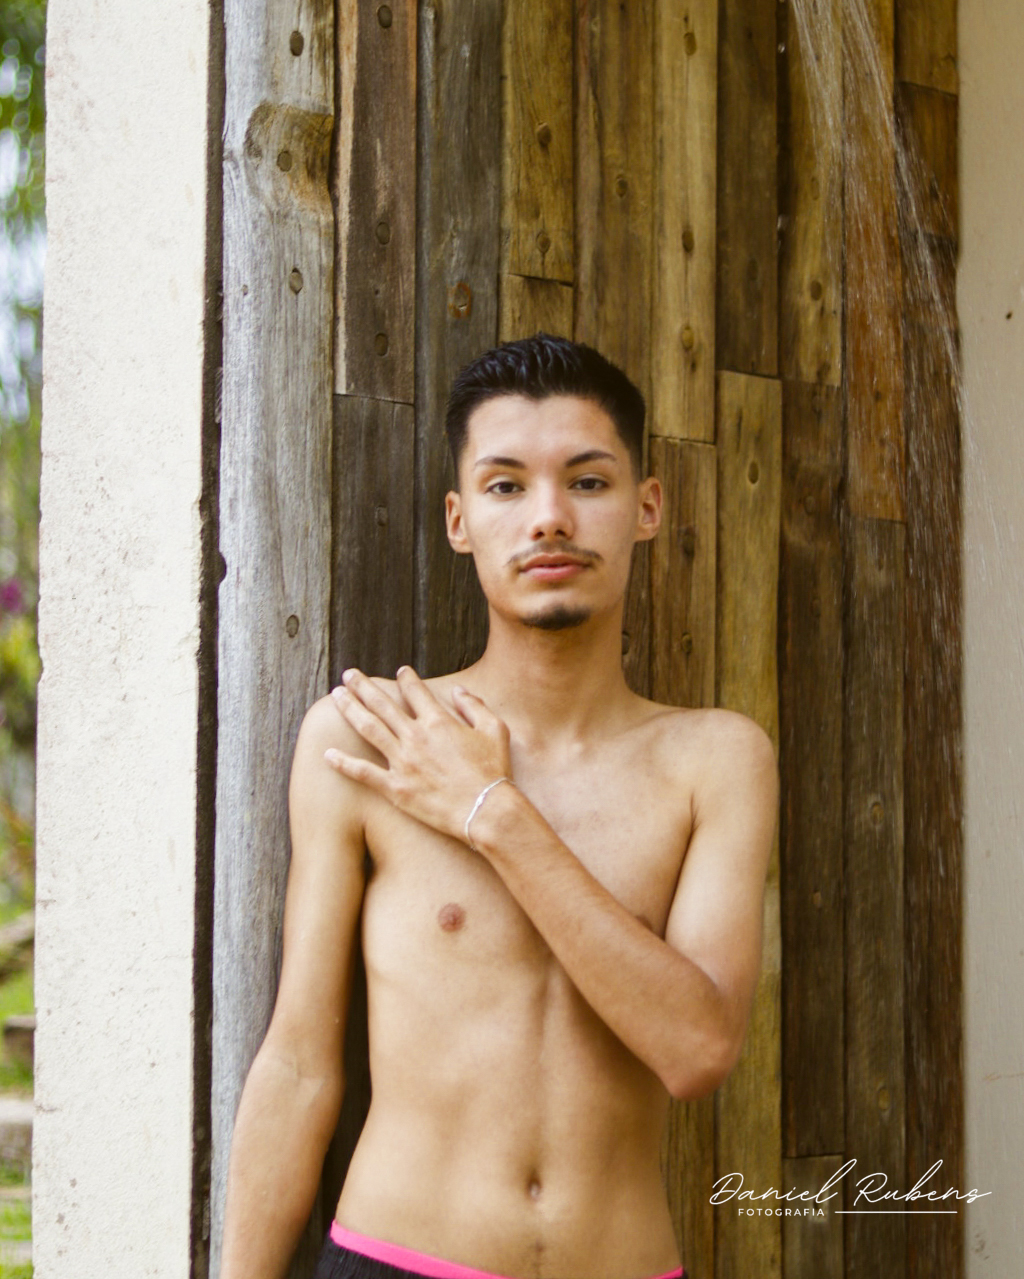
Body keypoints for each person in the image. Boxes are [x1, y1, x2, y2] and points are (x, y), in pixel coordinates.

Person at [218, 334, 778, 1279]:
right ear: (460, 519)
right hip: (395, 1258)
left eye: (588, 482)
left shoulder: (715, 760)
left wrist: (492, 811)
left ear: (646, 507)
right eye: (506, 485)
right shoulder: (367, 739)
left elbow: (696, 1048)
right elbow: (300, 1064)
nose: (549, 517)